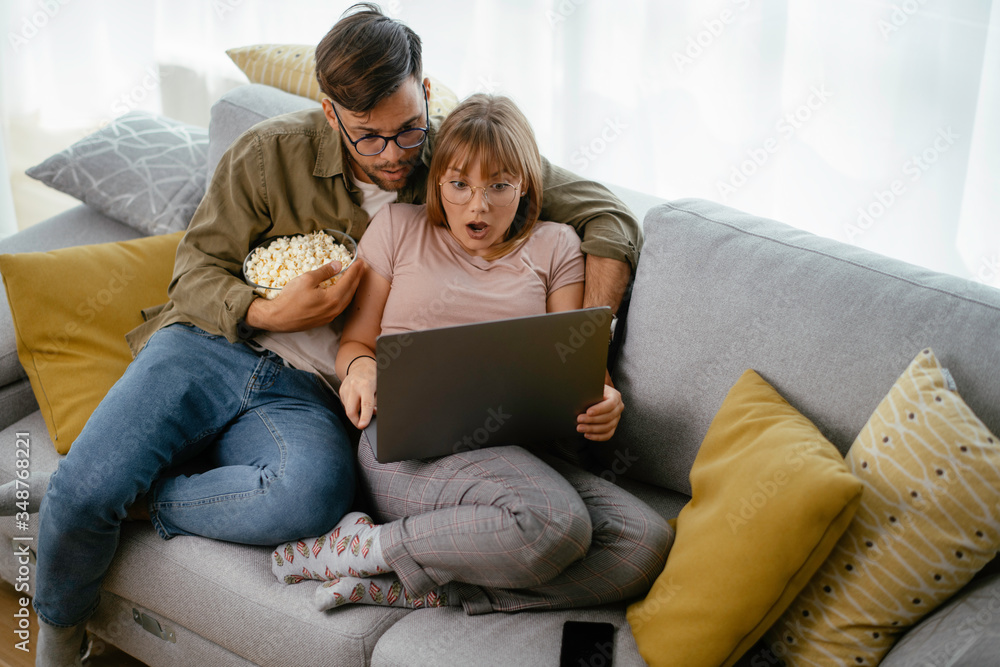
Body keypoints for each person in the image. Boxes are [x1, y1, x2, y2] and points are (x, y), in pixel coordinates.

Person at [2, 4, 642, 664]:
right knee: (85, 487)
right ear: (331, 113)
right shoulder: (268, 153)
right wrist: (270, 312)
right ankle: (64, 618)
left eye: (406, 130)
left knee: (309, 496)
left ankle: (132, 495)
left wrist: (585, 353)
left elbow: (608, 216)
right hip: (208, 345)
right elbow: (194, 270)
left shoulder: (456, 157)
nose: (394, 156)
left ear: (424, 93)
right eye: (369, 136)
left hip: (309, 393)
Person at [270, 93, 673, 614]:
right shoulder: (397, 230)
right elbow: (356, 344)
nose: (477, 206)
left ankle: (410, 585)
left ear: (524, 184)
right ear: (437, 180)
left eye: (498, 186)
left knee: (644, 547)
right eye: (459, 185)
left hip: (524, 456)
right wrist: (361, 374)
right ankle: (361, 549)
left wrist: (603, 398)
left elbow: (574, 363)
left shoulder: (557, 247)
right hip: (407, 451)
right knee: (554, 523)